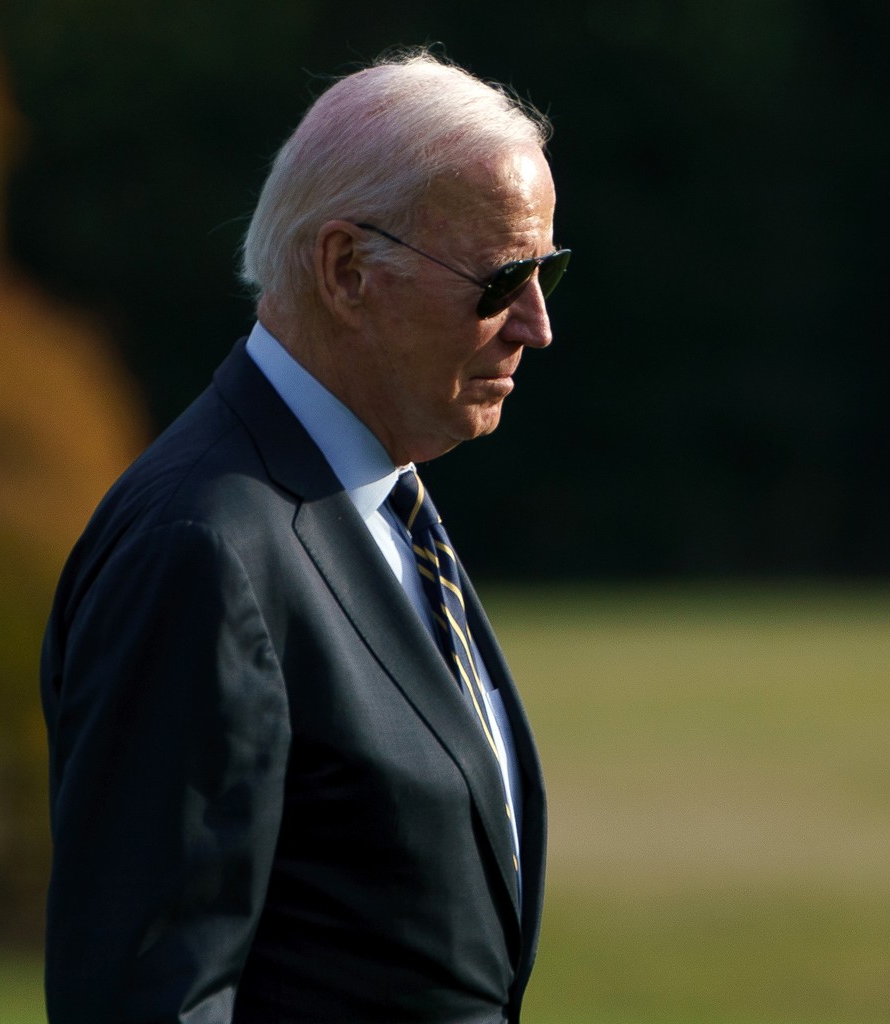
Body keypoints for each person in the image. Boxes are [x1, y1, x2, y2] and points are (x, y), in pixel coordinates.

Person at [39, 50, 569, 1024]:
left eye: (546, 273)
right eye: (499, 282)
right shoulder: (201, 549)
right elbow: (150, 997)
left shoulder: (377, 496)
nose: (534, 326)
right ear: (346, 270)